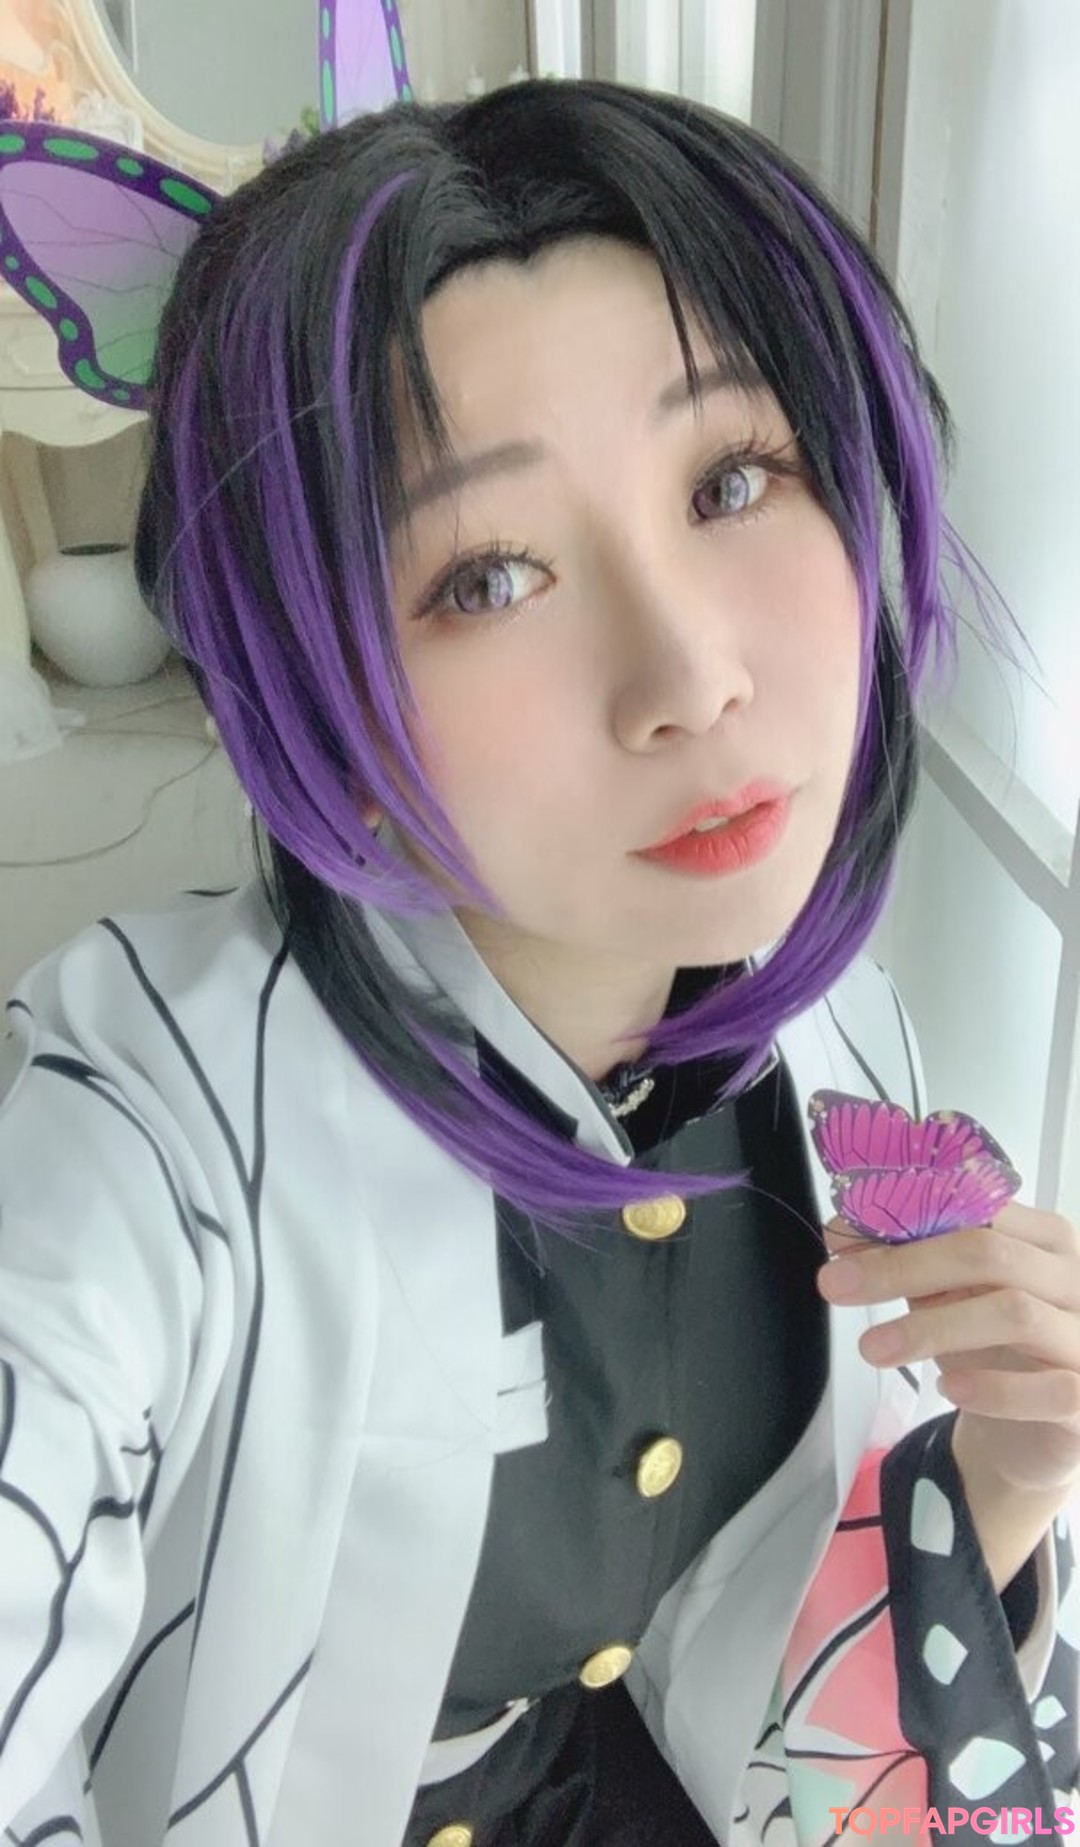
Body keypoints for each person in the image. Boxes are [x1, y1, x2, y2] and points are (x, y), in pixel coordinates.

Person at [0, 78, 1077, 1847]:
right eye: (490, 578)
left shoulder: (835, 1053)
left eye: (733, 477)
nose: (692, 676)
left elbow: (781, 1719)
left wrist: (1003, 1485)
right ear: (311, 696)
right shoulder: (148, 1134)